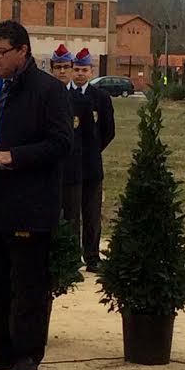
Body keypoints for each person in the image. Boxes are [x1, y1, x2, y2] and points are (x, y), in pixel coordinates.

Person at [0, 20, 72, 370]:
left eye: (0, 52)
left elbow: (60, 143)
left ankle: (27, 353)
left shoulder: (48, 90)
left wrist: (14, 156)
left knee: (27, 282)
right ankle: (0, 349)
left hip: (29, 201)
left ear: (22, 51)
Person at [72, 48, 115, 272]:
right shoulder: (62, 96)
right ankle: (71, 257)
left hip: (91, 166)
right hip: (69, 168)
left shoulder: (101, 98)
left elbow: (108, 131)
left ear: (91, 71)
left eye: (84, 70)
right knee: (70, 215)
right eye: (76, 69)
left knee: (91, 213)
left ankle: (92, 256)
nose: (80, 74)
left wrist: (93, 150)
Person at [50, 44, 86, 248]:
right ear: (51, 69)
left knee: (72, 218)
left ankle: (73, 260)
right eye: (58, 67)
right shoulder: (43, 97)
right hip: (49, 168)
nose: (62, 71)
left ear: (72, 68)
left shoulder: (81, 101)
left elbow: (92, 138)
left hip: (73, 169)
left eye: (65, 67)